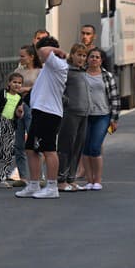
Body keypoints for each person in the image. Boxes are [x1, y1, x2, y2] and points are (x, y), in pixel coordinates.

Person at [15, 36, 68, 199]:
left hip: (49, 113)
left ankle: (52, 186)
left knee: (49, 150)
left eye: (39, 52)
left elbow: (45, 51)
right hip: (39, 111)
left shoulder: (57, 64)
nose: (39, 55)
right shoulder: (48, 67)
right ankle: (34, 184)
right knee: (30, 148)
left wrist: (58, 51)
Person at [81, 48, 120, 191]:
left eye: (97, 57)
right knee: (85, 148)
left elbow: (115, 98)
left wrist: (114, 119)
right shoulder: (81, 75)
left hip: (102, 116)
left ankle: (97, 180)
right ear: (87, 59)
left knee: (95, 147)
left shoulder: (107, 76)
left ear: (101, 60)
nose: (94, 59)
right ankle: (89, 180)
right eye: (91, 57)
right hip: (85, 116)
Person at [57, 44, 90, 191]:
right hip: (71, 113)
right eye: (79, 55)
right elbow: (58, 89)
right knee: (66, 146)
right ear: (72, 55)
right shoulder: (67, 71)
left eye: (84, 56)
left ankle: (71, 178)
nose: (81, 58)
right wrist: (67, 102)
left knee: (78, 147)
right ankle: (61, 178)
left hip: (84, 113)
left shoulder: (84, 71)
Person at [12, 44, 41, 185]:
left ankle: (38, 176)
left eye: (23, 56)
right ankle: (23, 176)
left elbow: (40, 87)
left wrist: (24, 88)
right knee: (18, 144)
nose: (20, 58)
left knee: (34, 142)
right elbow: (11, 86)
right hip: (18, 107)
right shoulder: (18, 70)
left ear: (31, 57)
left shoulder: (39, 71)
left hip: (32, 107)